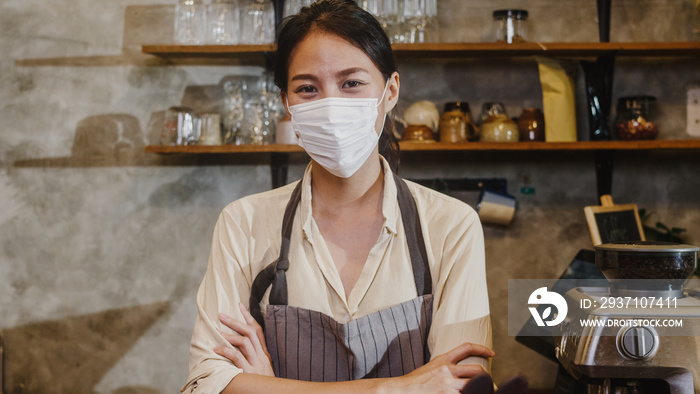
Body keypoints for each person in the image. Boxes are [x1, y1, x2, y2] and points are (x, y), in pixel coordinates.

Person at [182, 1, 493, 392]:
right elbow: (206, 382)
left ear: (390, 91)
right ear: (287, 105)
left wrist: (267, 386)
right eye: (308, 89)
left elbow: (461, 385)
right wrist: (397, 387)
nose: (330, 106)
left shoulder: (451, 225)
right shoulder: (243, 222)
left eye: (351, 83)